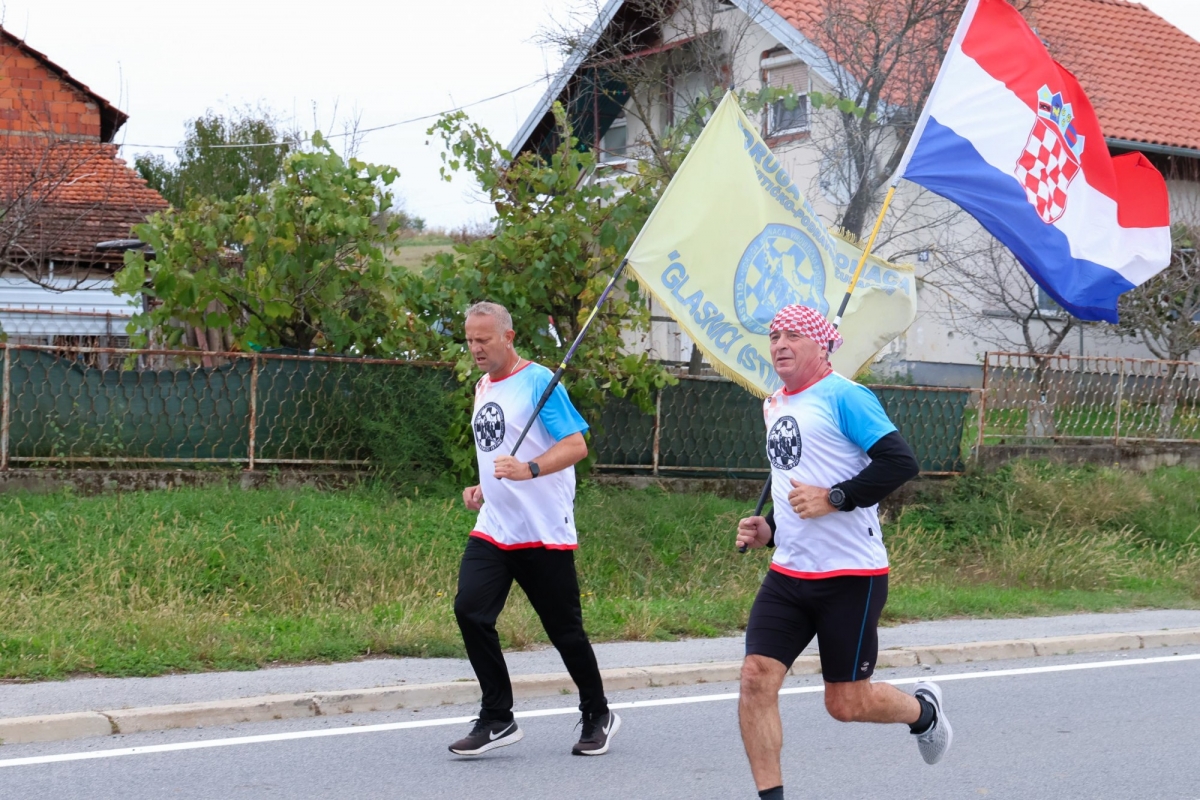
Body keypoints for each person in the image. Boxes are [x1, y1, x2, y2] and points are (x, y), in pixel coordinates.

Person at [735, 304, 951, 799]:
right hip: (789, 574)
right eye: (774, 336)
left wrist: (835, 498)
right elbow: (794, 484)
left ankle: (924, 711)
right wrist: (769, 527)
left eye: (792, 335)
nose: (780, 344)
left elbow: (901, 462)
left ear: (821, 344)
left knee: (846, 704)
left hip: (851, 576)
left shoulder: (846, 396)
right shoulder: (773, 405)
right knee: (755, 679)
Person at [447, 301, 620, 758]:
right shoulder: (484, 386)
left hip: (543, 530)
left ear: (508, 336)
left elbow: (575, 445)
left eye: (483, 339)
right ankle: (498, 717)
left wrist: (531, 469)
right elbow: (497, 449)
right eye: (469, 340)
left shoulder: (539, 381)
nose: (476, 348)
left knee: (564, 632)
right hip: (496, 528)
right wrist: (482, 486)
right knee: (471, 610)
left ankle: (597, 712)